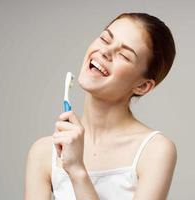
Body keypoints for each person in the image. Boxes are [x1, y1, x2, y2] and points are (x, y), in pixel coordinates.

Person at [24, 12, 177, 200]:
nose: (105, 52)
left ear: (142, 86)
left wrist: (77, 170)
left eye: (124, 55)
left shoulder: (155, 151)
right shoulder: (43, 152)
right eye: (105, 39)